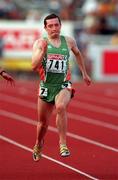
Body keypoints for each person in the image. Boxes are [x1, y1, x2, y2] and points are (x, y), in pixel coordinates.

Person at [32, 13, 91, 161]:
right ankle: (39, 143)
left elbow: (78, 54)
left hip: (63, 84)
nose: (54, 28)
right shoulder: (40, 43)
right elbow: (34, 66)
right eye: (50, 26)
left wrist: (84, 73)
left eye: (56, 25)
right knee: (42, 124)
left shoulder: (69, 41)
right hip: (46, 86)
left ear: (60, 26)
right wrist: (43, 52)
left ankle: (63, 144)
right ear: (45, 28)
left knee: (60, 107)